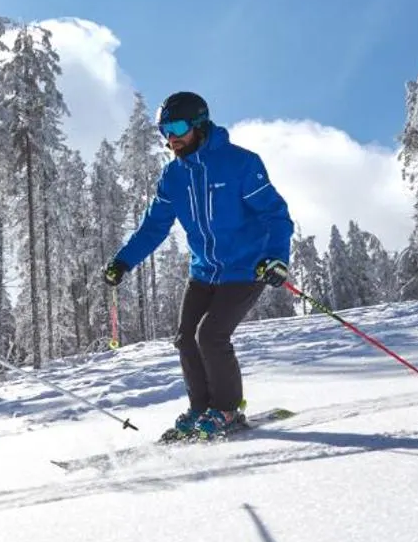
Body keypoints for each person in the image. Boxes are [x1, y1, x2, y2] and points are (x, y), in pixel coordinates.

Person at [102, 91, 294, 440]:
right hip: (204, 271)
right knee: (185, 339)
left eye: (176, 127)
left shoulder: (241, 164)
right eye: (164, 130)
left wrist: (277, 257)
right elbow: (154, 227)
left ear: (199, 124)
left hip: (246, 268)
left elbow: (275, 215)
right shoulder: (173, 177)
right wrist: (123, 261)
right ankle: (201, 409)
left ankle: (228, 410)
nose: (170, 137)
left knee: (211, 335)